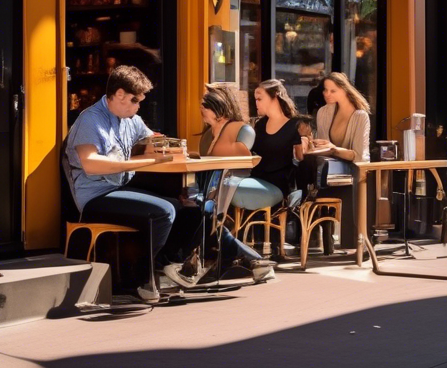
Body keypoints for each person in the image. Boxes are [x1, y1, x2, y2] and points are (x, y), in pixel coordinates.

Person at [63, 66, 179, 302]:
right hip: (94, 197)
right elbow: (91, 164)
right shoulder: (90, 119)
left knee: (182, 205)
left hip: (118, 189)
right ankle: (138, 281)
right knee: (163, 212)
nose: (138, 107)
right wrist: (138, 162)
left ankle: (167, 268)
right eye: (134, 101)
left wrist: (165, 145)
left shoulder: (130, 119)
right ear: (118, 95)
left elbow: (152, 139)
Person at [194, 85, 276, 283]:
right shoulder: (208, 134)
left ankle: (237, 258)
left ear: (220, 105)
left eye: (206, 105)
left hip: (232, 180)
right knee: (197, 208)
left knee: (204, 209)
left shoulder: (241, 129)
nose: (201, 109)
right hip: (210, 182)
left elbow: (242, 161)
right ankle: (248, 259)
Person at [250, 80, 305, 208]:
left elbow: (301, 158)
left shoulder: (295, 125)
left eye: (259, 99)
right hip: (256, 178)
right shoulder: (260, 125)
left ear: (275, 97)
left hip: (278, 184)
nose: (256, 103)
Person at [313, 72, 372, 170]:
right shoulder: (323, 112)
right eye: (325, 90)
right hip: (329, 174)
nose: (327, 94)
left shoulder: (361, 117)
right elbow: (322, 152)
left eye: (333, 91)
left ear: (345, 90)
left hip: (356, 175)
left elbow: (360, 157)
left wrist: (334, 150)